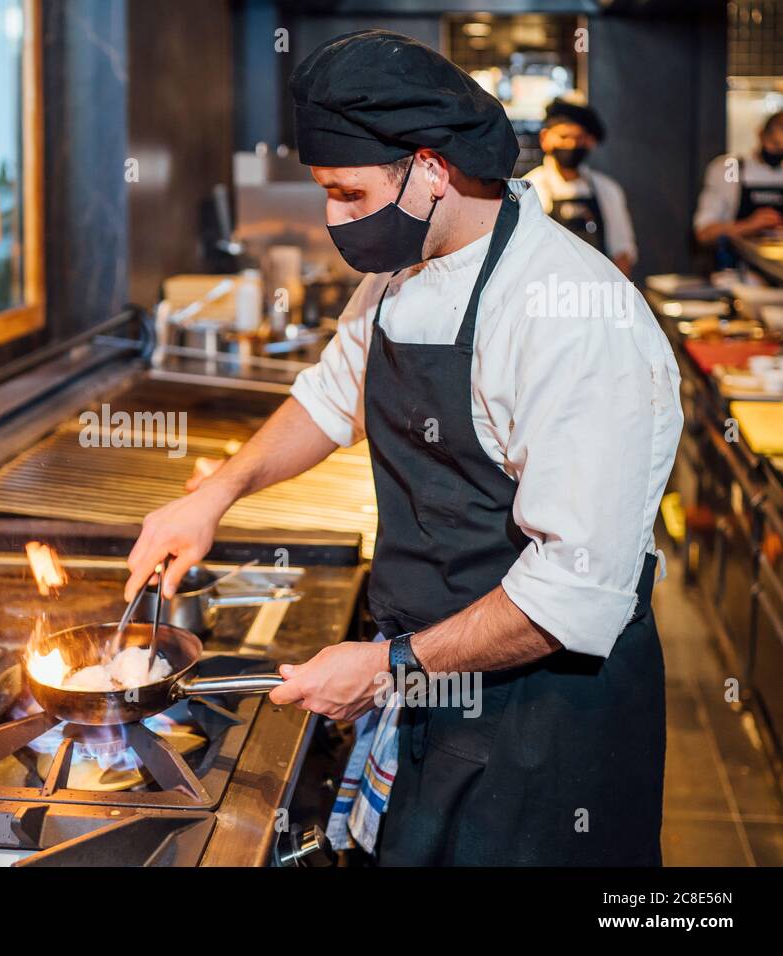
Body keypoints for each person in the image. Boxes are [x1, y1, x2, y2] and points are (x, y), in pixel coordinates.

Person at [123, 30, 682, 866]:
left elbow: (569, 595)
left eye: (349, 193)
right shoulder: (402, 273)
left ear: (430, 168)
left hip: (547, 723)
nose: (333, 219)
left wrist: (386, 668)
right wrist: (216, 492)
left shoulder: (570, 316)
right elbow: (330, 395)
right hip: (432, 676)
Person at [524, 98, 637, 277]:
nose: (570, 145)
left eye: (578, 138)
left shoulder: (607, 190)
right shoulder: (528, 190)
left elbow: (622, 253)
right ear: (545, 138)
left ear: (589, 142)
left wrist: (618, 299)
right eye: (563, 137)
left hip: (595, 297)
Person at [694, 110, 783, 266]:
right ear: (761, 134)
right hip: (737, 273)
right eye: (774, 144)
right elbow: (704, 234)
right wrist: (751, 225)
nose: (777, 153)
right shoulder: (731, 168)